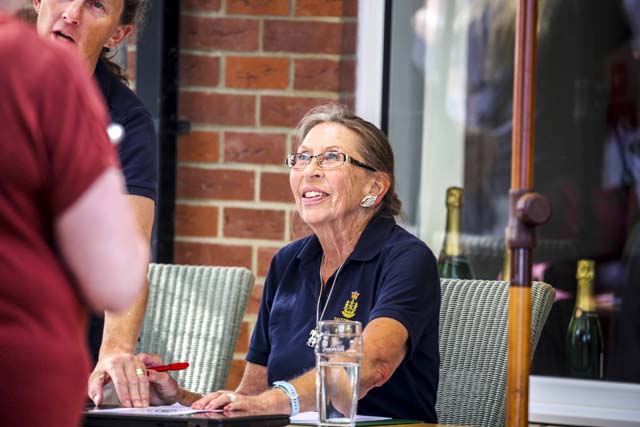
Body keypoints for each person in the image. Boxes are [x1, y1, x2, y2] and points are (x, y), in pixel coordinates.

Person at [142, 103, 441, 422]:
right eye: (302, 158)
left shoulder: (407, 259)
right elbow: (252, 398)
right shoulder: (288, 263)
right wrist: (179, 400)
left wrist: (277, 401)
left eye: (331, 157)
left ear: (375, 187)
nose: (310, 170)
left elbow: (372, 364)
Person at [0, 3, 148, 426]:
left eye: (96, 4)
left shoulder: (126, 119)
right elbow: (116, 275)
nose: (72, 12)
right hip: (28, 367)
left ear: (118, 34)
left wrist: (115, 349)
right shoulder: (56, 84)